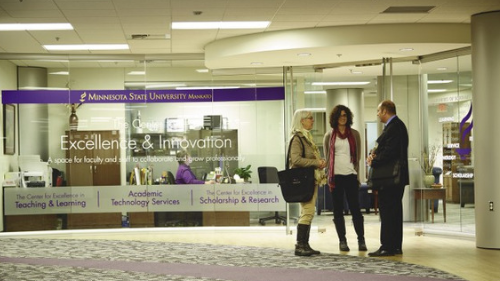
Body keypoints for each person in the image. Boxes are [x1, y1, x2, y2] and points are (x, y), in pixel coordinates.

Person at [367, 100, 409, 257]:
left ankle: (387, 246)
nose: (377, 115)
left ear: (385, 111)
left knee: (388, 211)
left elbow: (390, 152)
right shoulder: (397, 126)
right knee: (395, 212)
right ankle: (395, 245)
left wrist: (374, 160)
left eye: (378, 111)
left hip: (391, 178)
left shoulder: (394, 127)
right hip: (394, 178)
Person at [323, 105, 366, 252]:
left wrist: (356, 173)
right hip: (336, 177)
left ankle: (361, 239)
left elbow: (358, 157)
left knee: (355, 209)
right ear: (335, 118)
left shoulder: (354, 134)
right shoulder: (329, 136)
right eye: (340, 115)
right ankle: (342, 240)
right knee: (338, 210)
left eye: (345, 115)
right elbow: (328, 157)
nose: (343, 118)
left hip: (350, 176)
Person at [289, 109, 326, 256]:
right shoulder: (297, 138)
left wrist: (318, 162)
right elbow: (296, 160)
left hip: (311, 178)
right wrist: (316, 162)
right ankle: (300, 245)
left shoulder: (306, 137)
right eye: (309, 118)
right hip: (304, 180)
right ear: (301, 120)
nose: (312, 120)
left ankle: (305, 244)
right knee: (308, 211)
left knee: (308, 212)